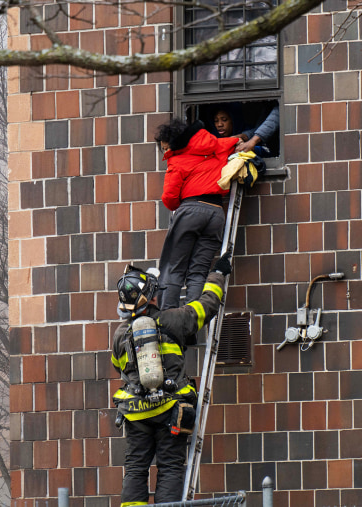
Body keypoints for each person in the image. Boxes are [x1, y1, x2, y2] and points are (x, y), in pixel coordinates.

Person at [110, 254, 233, 506]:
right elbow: (207, 305)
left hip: (135, 412)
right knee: (170, 467)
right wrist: (217, 274)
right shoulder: (174, 320)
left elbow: (117, 367)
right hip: (170, 410)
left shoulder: (120, 334)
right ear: (151, 298)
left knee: (135, 467)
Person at [154, 118, 238, 310]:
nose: (165, 152)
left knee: (173, 268)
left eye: (165, 148)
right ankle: (191, 320)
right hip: (216, 213)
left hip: (191, 210)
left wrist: (182, 204)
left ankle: (170, 320)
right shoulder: (216, 145)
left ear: (174, 141)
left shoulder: (177, 159)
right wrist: (245, 136)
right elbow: (236, 142)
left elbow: (169, 197)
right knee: (198, 272)